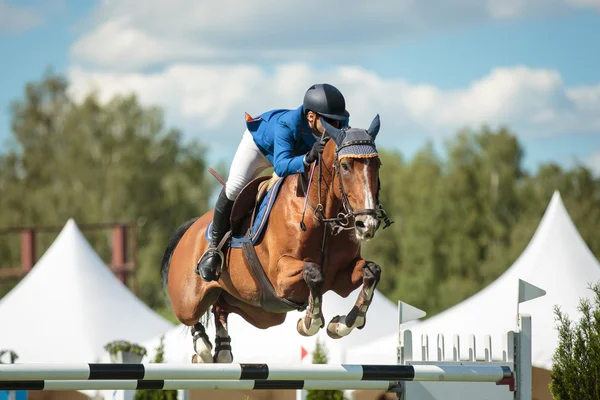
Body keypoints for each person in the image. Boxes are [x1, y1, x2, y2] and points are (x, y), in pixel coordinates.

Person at [196, 83, 351, 282]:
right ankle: (213, 249)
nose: (336, 127)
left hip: (293, 154)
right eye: (330, 122)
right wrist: (306, 158)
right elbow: (280, 166)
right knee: (235, 187)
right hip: (260, 147)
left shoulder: (339, 122)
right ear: (311, 117)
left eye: (338, 122)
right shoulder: (287, 124)